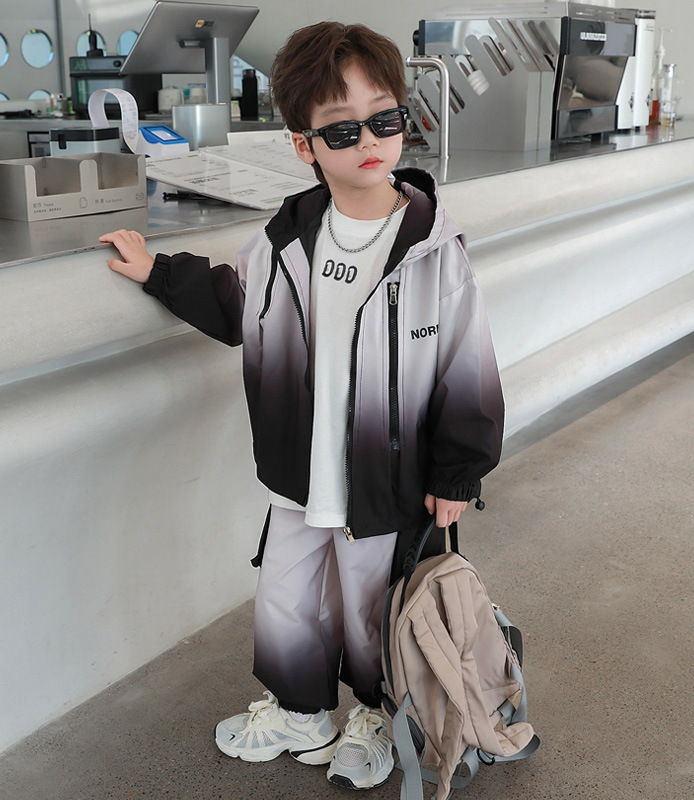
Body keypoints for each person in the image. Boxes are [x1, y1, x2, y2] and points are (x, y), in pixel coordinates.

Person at [99, 21, 504, 792]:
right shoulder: (286, 240)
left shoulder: (433, 249)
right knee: (286, 599)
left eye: (384, 119)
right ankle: (301, 712)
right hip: (299, 473)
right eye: (342, 130)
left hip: (383, 481)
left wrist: (459, 471)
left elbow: (468, 365)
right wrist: (158, 273)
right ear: (303, 145)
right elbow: (237, 305)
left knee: (371, 610)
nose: (369, 142)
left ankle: (378, 716)